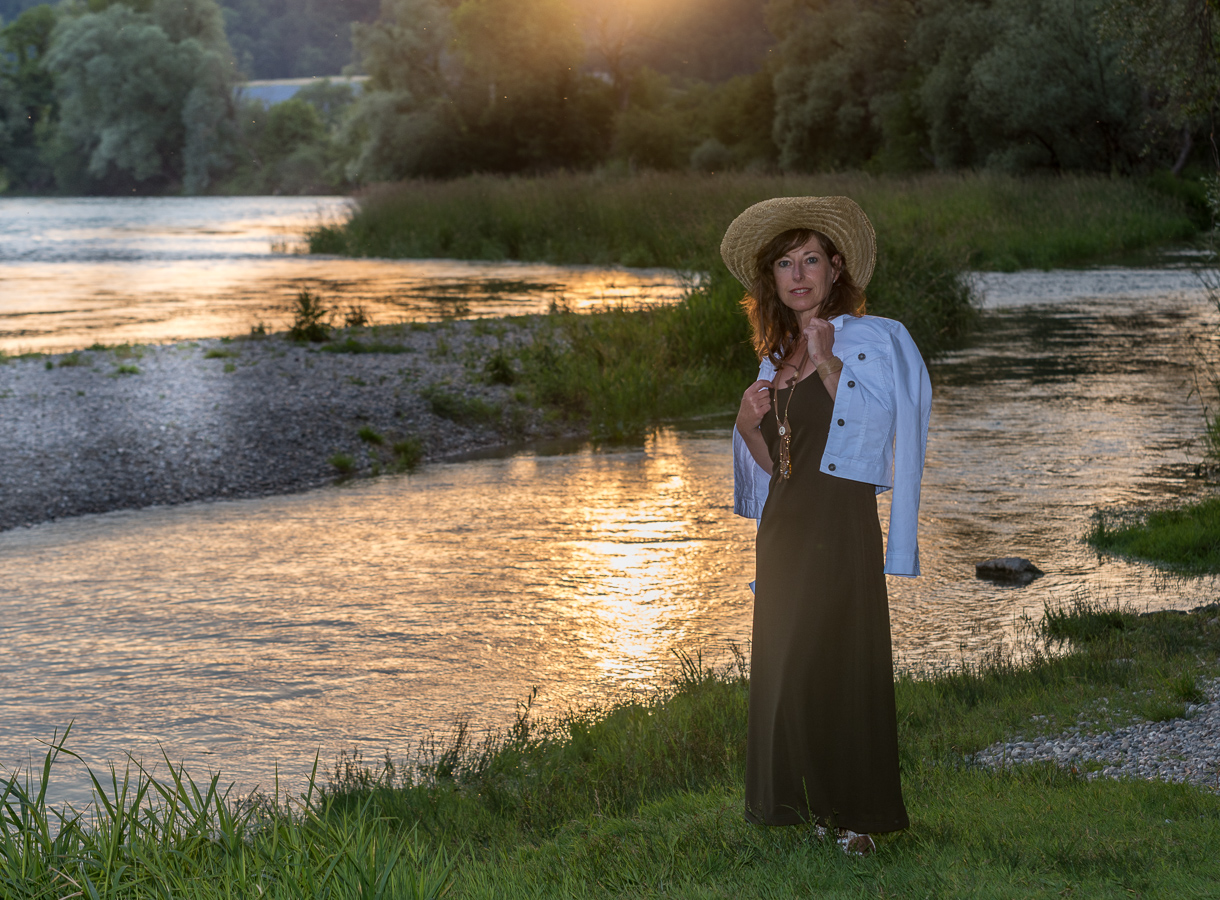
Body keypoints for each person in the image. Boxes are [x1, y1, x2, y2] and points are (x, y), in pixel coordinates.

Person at [722, 196, 931, 855]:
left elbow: (883, 440)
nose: (799, 273)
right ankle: (808, 806)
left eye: (812, 259)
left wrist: (832, 360)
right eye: (785, 263)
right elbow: (777, 465)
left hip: (840, 524)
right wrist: (747, 423)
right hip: (784, 531)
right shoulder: (775, 357)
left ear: (837, 269)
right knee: (790, 669)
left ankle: (858, 818)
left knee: (841, 661)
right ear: (773, 281)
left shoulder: (879, 339)